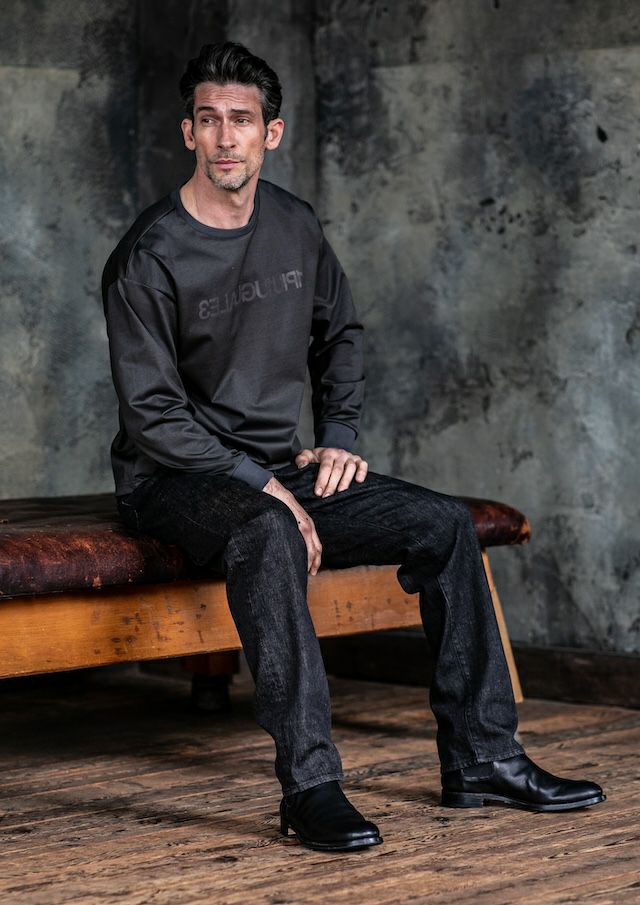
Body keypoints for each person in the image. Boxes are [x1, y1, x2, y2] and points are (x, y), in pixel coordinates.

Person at [102, 42, 605, 852]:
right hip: (173, 479)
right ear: (188, 132)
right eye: (209, 120)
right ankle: (310, 786)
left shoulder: (295, 226)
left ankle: (484, 757)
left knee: (443, 523)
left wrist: (336, 440)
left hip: (278, 471)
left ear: (271, 133)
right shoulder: (149, 253)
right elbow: (153, 413)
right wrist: (265, 487)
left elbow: (341, 335)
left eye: (241, 120)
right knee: (267, 530)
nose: (225, 137)